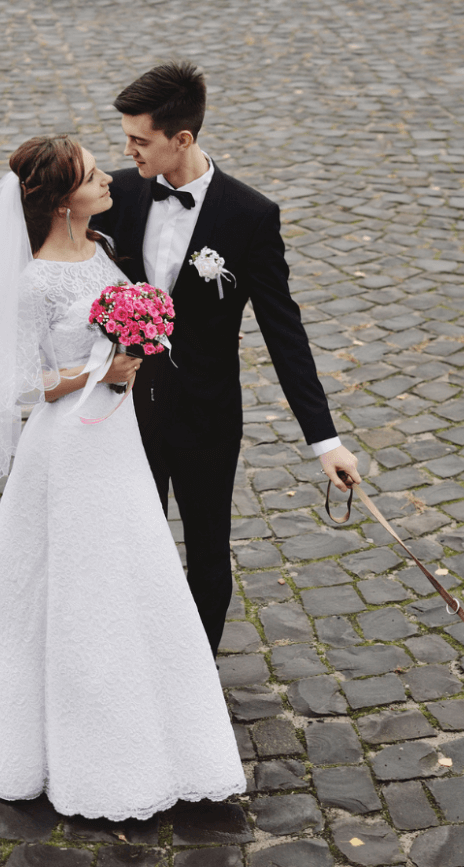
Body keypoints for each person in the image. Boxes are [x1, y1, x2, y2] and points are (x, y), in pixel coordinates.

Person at [0, 135, 246, 821]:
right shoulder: (35, 279)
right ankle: (64, 729)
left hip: (117, 438)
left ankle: (154, 703)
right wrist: (97, 372)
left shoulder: (101, 247)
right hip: (69, 445)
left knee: (131, 563)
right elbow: (20, 382)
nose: (107, 176)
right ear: (60, 201)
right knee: (76, 573)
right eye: (90, 175)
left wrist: (140, 343)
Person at [86, 61, 361, 658]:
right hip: (119, 407)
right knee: (129, 543)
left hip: (206, 414)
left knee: (208, 555)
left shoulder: (249, 215)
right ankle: (132, 666)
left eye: (140, 139)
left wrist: (325, 442)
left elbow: (284, 332)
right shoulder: (114, 193)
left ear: (181, 139)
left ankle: (193, 680)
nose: (127, 150)